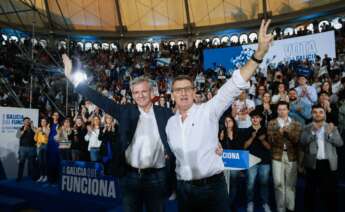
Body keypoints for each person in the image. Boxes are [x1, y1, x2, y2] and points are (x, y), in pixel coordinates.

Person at [165, 19, 273, 212]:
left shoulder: (208, 110)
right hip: (184, 189)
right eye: (178, 90)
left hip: (213, 188)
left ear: (194, 92)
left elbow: (233, 85)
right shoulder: (170, 124)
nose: (183, 93)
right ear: (172, 95)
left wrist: (258, 54)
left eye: (187, 89)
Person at [63, 55, 175, 212]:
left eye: (144, 91)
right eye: (136, 92)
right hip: (130, 177)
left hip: (157, 177)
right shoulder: (125, 112)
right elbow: (100, 99)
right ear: (132, 95)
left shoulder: (166, 113)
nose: (140, 95)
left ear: (152, 92)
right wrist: (71, 78)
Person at [300, 104, 343, 212]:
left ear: (324, 114)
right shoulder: (306, 127)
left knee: (331, 192)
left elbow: (340, 143)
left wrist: (330, 135)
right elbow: (302, 142)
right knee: (310, 192)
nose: (318, 114)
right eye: (315, 112)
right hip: (312, 164)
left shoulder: (332, 127)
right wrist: (313, 132)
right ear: (312, 114)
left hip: (328, 164)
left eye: (320, 112)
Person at [267, 101, 302, 212]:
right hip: (276, 156)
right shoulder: (272, 123)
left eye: (284, 109)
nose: (282, 112)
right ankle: (280, 209)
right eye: (279, 109)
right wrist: (280, 132)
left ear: (288, 110)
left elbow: (297, 140)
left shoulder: (296, 123)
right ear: (277, 111)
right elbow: (270, 140)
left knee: (291, 184)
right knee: (278, 183)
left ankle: (290, 207)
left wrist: (287, 131)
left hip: (292, 156)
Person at [219, 115, 243, 212]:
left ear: (233, 122)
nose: (228, 123)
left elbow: (241, 149)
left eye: (230, 121)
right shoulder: (221, 133)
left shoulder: (238, 133)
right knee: (224, 184)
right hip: (224, 163)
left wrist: (241, 166)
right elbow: (219, 149)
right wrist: (220, 139)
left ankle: (231, 203)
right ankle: (225, 204)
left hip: (235, 163)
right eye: (226, 121)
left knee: (233, 183)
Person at [16, 117, 36, 182]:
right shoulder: (20, 128)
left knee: (32, 164)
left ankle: (33, 178)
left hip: (31, 148)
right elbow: (18, 136)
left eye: (28, 121)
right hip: (23, 148)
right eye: (26, 121)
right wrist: (23, 130)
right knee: (21, 163)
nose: (27, 122)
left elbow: (37, 133)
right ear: (23, 122)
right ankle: (19, 177)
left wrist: (32, 127)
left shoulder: (32, 128)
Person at [34, 117, 50, 182]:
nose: (43, 123)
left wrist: (43, 131)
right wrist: (37, 132)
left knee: (45, 161)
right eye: (41, 121)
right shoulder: (38, 129)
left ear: (46, 122)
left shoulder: (48, 129)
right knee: (40, 162)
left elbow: (47, 137)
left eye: (44, 121)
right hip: (39, 146)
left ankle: (46, 176)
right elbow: (35, 139)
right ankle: (41, 176)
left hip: (45, 145)